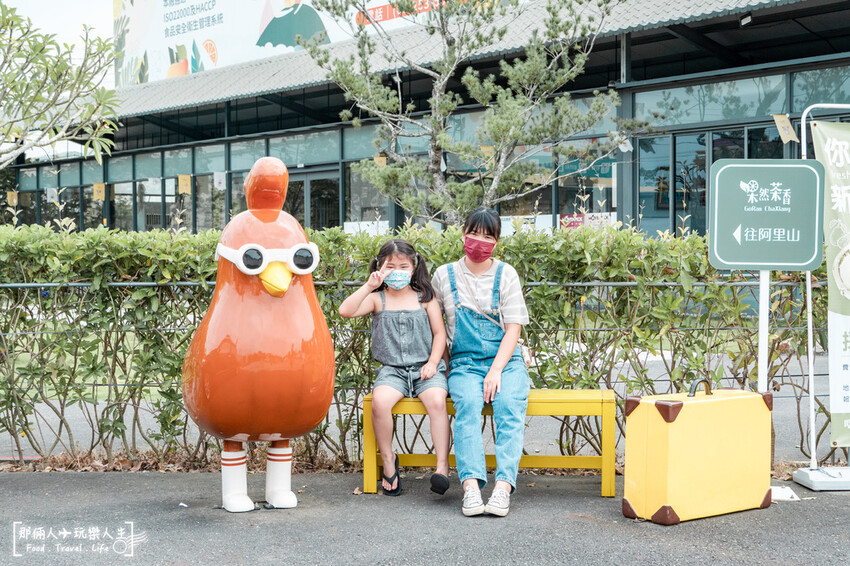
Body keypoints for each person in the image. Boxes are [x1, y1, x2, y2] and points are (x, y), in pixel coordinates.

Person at [432, 207, 530, 517]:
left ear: (497, 242)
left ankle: (503, 488)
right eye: (474, 233)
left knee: (509, 405)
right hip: (464, 362)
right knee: (468, 406)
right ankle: (471, 487)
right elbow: (437, 327)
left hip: (507, 360)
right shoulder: (444, 275)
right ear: (463, 234)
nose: (479, 241)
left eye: (488, 236)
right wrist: (444, 363)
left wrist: (497, 369)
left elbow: (514, 327)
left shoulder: (507, 273)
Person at [339, 239, 451, 496]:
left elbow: (439, 334)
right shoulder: (377, 299)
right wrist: (370, 284)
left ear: (414, 267)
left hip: (426, 367)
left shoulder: (425, 298)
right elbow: (345, 311)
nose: (397, 272)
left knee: (436, 401)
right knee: (380, 402)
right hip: (392, 370)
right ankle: (389, 461)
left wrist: (433, 363)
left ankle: (441, 467)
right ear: (380, 267)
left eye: (404, 266)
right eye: (390, 266)